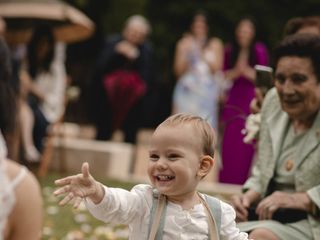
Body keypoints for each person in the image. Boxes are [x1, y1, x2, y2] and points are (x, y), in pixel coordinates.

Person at [54, 113, 249, 239]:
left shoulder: (218, 213)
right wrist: (97, 192)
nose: (160, 164)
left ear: (203, 165)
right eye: (154, 156)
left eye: (172, 156)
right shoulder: (145, 202)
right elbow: (117, 205)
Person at [231, 34, 320, 240]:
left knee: (262, 236)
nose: (287, 90)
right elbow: (263, 170)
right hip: (271, 217)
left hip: (312, 224)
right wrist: (247, 197)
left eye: (298, 79)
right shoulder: (273, 100)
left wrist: (303, 199)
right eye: (280, 79)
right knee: (206, 223)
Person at [0, 36, 43, 240]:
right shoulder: (18, 188)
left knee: (30, 115)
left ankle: (29, 146)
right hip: (25, 104)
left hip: (35, 105)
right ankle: (29, 147)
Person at [219, 17, 269, 184]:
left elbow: (263, 77)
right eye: (241, 30)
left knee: (246, 139)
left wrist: (246, 72)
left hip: (249, 98)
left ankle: (242, 181)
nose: (244, 34)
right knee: (230, 140)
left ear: (252, 33)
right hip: (233, 98)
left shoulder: (259, 51)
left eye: (247, 30)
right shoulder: (229, 50)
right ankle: (226, 180)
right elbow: (223, 75)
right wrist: (236, 72)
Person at [90, 15, 154, 144]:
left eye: (139, 34)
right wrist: (116, 53)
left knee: (130, 135)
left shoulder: (146, 50)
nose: (134, 36)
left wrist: (136, 58)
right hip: (108, 99)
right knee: (103, 132)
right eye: (132, 32)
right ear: (125, 30)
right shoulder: (112, 43)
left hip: (132, 103)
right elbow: (99, 70)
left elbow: (147, 78)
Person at [20, 25, 67, 162]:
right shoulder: (27, 64)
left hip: (46, 112)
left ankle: (28, 149)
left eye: (46, 43)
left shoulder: (56, 69)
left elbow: (54, 101)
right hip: (25, 107)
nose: (42, 47)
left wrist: (33, 89)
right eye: (39, 43)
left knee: (25, 109)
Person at [172, 11, 224, 129]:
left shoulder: (215, 43)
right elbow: (178, 72)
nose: (199, 29)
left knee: (205, 126)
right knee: (182, 126)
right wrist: (189, 52)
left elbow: (217, 70)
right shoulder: (184, 43)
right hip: (187, 91)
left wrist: (201, 51)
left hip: (206, 93)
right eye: (196, 25)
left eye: (202, 25)